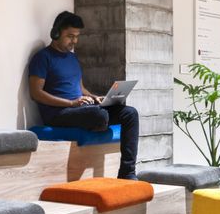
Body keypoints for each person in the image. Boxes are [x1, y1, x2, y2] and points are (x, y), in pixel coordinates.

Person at [28, 10, 140, 180]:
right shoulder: (42, 58)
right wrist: (71, 103)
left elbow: (80, 88)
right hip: (58, 114)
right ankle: (98, 118)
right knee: (99, 114)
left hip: (80, 109)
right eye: (70, 36)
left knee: (129, 113)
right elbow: (36, 93)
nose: (74, 41)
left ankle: (127, 172)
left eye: (77, 36)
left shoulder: (73, 59)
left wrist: (95, 97)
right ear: (56, 33)